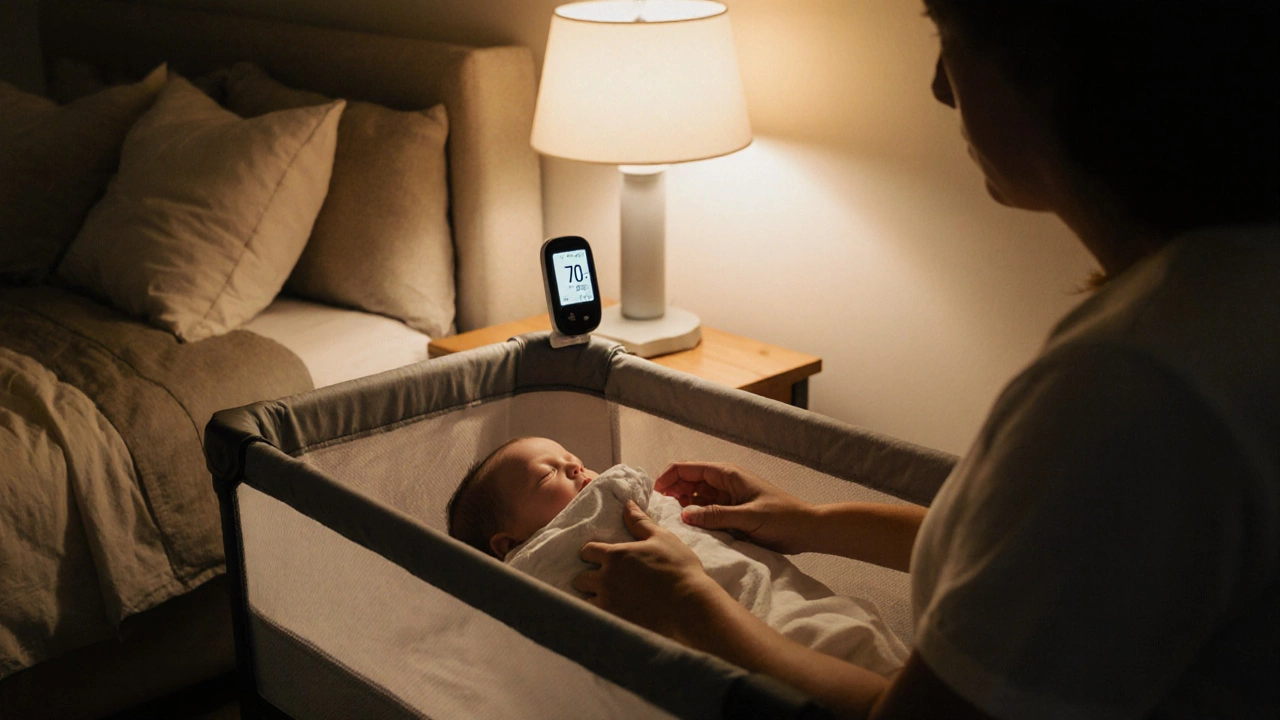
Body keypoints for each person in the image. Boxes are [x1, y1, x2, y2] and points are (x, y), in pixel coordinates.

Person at [569, 2, 1280, 719]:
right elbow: (1056, 559)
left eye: (949, 41)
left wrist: (691, 606)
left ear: (1048, 69)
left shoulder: (1131, 384)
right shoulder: (1220, 296)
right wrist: (813, 521)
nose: (942, 88)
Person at [445, 436, 910, 676]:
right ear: (509, 547)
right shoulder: (544, 568)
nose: (578, 467)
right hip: (795, 658)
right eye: (550, 475)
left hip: (806, 623)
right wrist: (808, 520)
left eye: (576, 461)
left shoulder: (630, 502)